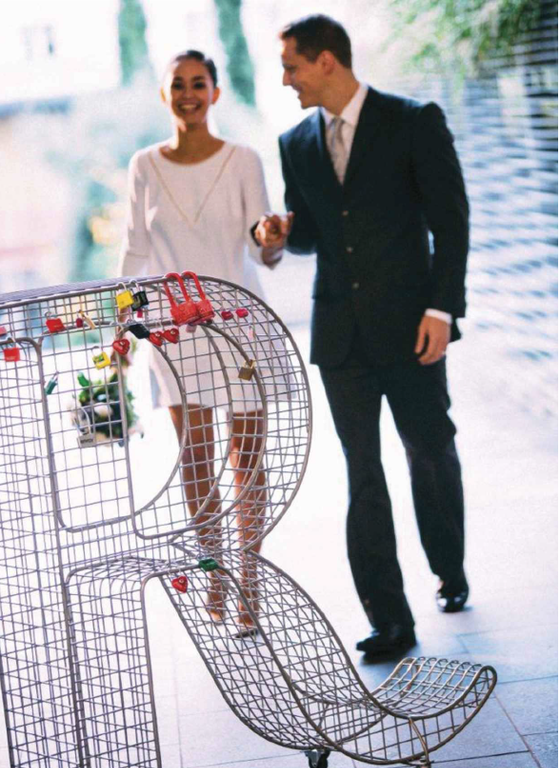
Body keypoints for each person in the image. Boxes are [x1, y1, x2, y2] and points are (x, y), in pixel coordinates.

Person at [255, 15, 470, 660]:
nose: (286, 80)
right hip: (340, 335)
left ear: (327, 61)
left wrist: (442, 309)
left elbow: (451, 221)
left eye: (291, 66)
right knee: (362, 471)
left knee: (429, 450)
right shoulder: (295, 142)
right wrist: (279, 236)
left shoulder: (413, 120)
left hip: (411, 327)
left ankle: (449, 568)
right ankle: (390, 618)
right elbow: (314, 234)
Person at [118, 50, 281, 637]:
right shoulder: (143, 164)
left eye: (199, 83)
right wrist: (120, 325)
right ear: (165, 94)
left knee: (247, 460)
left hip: (238, 323)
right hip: (173, 330)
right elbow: (135, 249)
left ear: (215, 92)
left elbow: (264, 246)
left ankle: (250, 583)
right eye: (178, 85)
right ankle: (215, 573)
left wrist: (272, 236)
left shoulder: (244, 159)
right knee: (194, 459)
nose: (189, 93)